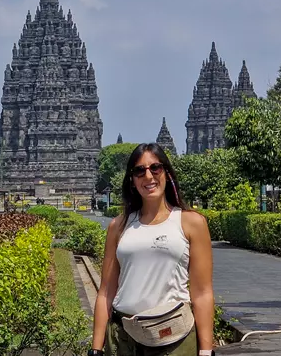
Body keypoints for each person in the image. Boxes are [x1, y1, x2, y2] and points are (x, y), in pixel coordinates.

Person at [89, 143, 215, 356]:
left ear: (167, 173)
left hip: (173, 338)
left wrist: (206, 351)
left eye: (155, 168)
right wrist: (96, 349)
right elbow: (106, 292)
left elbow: (202, 293)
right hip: (123, 338)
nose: (148, 176)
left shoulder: (191, 222)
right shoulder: (119, 226)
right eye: (139, 171)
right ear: (132, 179)